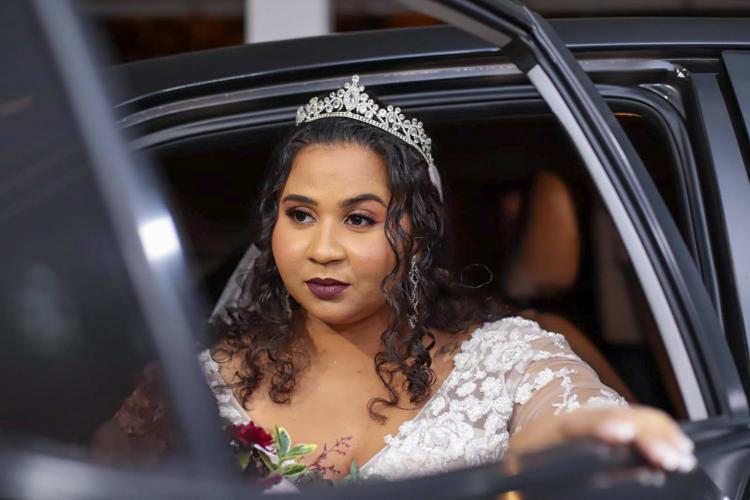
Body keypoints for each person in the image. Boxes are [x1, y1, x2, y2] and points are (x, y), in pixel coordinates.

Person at [197, 75, 696, 482]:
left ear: (418, 237)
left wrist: (584, 435)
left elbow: (565, 416)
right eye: (301, 215)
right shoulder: (204, 380)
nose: (322, 250)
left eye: (359, 219)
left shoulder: (507, 361)